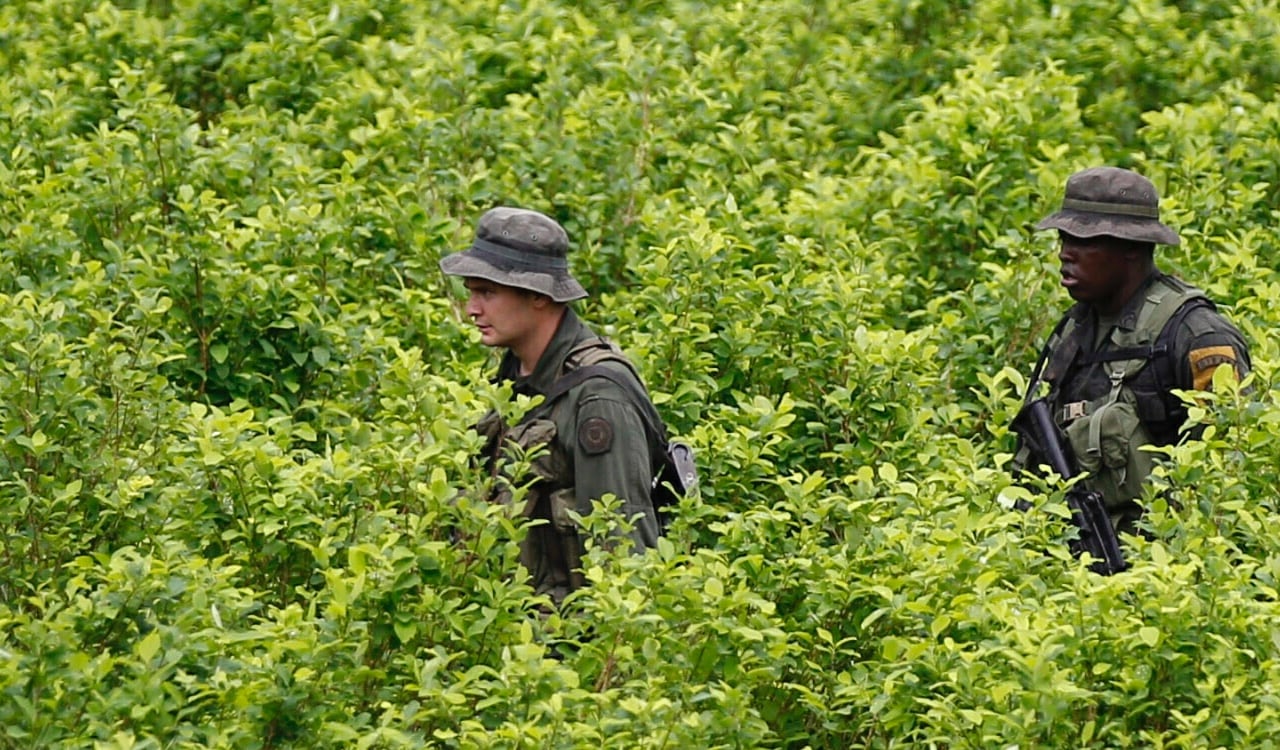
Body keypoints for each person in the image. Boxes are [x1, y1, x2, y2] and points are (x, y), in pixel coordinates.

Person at [440, 206, 663, 605]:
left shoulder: (598, 398)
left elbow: (626, 561)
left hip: (567, 647)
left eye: (488, 293)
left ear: (539, 296)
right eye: (471, 291)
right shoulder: (518, 376)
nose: (472, 309)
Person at [1014, 166, 1251, 536]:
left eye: (1085, 241)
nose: (1065, 254)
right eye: (1063, 239)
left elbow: (1231, 470)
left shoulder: (1195, 335)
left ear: (1130, 248)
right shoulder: (1076, 329)